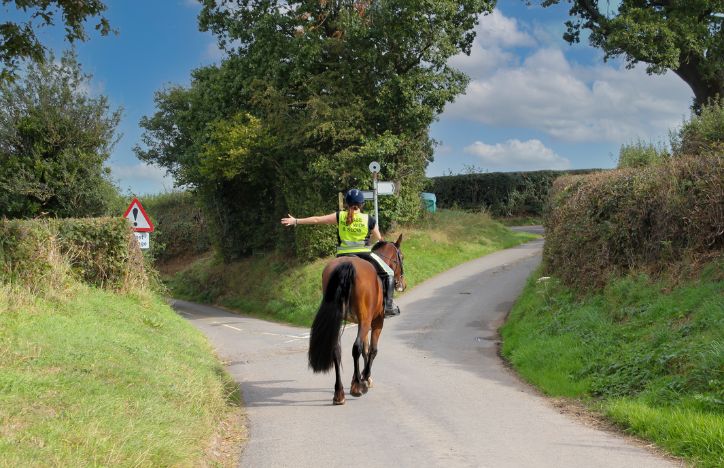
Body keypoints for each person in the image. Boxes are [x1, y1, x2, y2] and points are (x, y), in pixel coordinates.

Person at [280, 189, 400, 317]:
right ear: (362, 204)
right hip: (364, 254)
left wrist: (296, 221)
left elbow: (317, 220)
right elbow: (379, 239)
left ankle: (328, 307)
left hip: (342, 254)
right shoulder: (369, 219)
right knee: (389, 272)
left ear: (346, 204)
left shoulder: (340, 216)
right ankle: (388, 306)